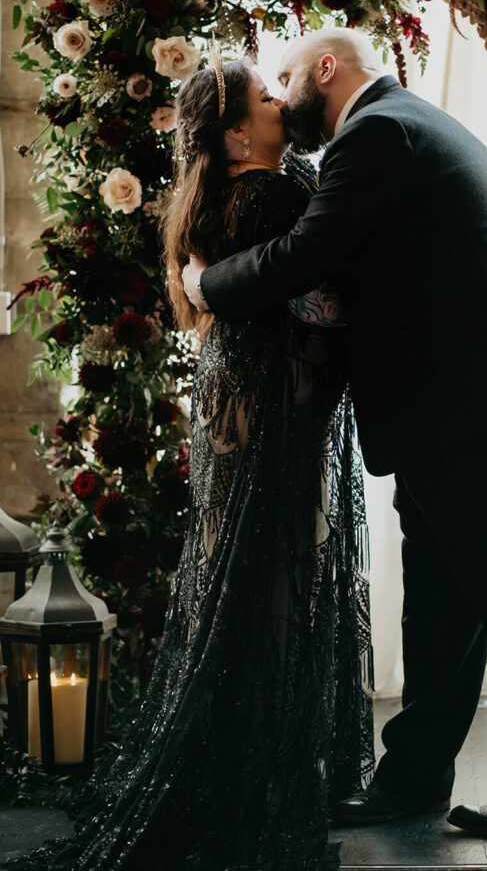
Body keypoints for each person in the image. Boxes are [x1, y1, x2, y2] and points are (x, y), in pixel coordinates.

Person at [182, 28, 487, 843]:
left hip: (478, 404)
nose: (280, 90)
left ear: (325, 71)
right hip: (457, 406)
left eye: (287, 76)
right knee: (443, 605)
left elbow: (305, 254)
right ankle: (411, 779)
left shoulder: (376, 131)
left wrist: (206, 284)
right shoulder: (401, 124)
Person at [2, 57, 373, 871]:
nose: (283, 103)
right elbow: (318, 300)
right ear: (239, 133)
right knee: (272, 587)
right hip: (273, 401)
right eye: (267, 99)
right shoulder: (269, 192)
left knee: (243, 584)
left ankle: (247, 770)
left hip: (243, 400)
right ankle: (258, 782)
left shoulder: (241, 191)